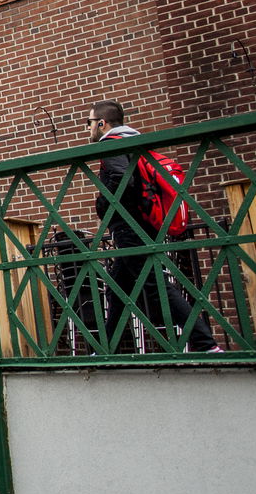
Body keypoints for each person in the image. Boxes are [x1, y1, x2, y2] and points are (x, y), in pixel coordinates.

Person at [88, 100, 221, 353]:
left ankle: (205, 343)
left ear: (102, 123)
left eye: (90, 123)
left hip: (130, 227)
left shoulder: (111, 145)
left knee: (154, 284)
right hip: (142, 223)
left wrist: (103, 204)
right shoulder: (134, 142)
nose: (89, 128)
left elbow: (122, 181)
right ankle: (105, 347)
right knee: (117, 287)